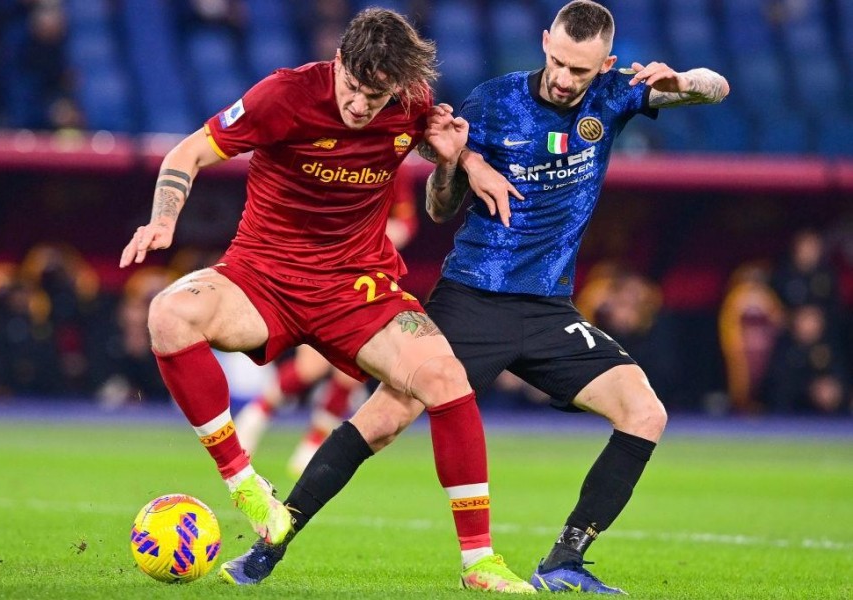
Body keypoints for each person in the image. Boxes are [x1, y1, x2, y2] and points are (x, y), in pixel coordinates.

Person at [234, 1, 730, 594]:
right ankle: (270, 546)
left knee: (645, 413)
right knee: (384, 420)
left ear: (607, 64)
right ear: (546, 42)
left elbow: (717, 89)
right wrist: (457, 166)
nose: (567, 79)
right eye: (560, 62)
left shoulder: (615, 96)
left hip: (548, 309)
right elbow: (440, 208)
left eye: (582, 70)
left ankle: (564, 562)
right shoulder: (493, 102)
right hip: (472, 298)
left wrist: (684, 83)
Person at [119, 7, 532, 593]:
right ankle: (245, 484)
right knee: (168, 313)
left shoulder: (412, 103)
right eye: (356, 90)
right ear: (338, 63)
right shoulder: (282, 96)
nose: (364, 106)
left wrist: (453, 162)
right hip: (263, 275)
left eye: (378, 95)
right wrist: (164, 221)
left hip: (356, 285)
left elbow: (440, 206)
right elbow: (186, 153)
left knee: (447, 380)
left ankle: (479, 563)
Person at [233, 170, 420, 477]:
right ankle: (257, 414)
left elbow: (406, 220)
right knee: (310, 367)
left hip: (370, 277)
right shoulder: (335, 161)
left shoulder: (393, 164)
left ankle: (312, 444)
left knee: (351, 374)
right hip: (328, 273)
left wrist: (375, 237)